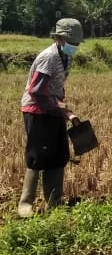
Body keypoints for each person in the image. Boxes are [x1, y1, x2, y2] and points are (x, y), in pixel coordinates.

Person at [18, 18, 83, 218]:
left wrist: (61, 105)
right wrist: (59, 109)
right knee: (38, 155)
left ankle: (54, 203)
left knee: (59, 154)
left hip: (52, 108)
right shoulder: (48, 57)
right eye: (72, 43)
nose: (75, 47)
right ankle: (25, 203)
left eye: (77, 44)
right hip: (36, 110)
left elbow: (57, 85)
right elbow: (36, 91)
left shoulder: (65, 57)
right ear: (60, 39)